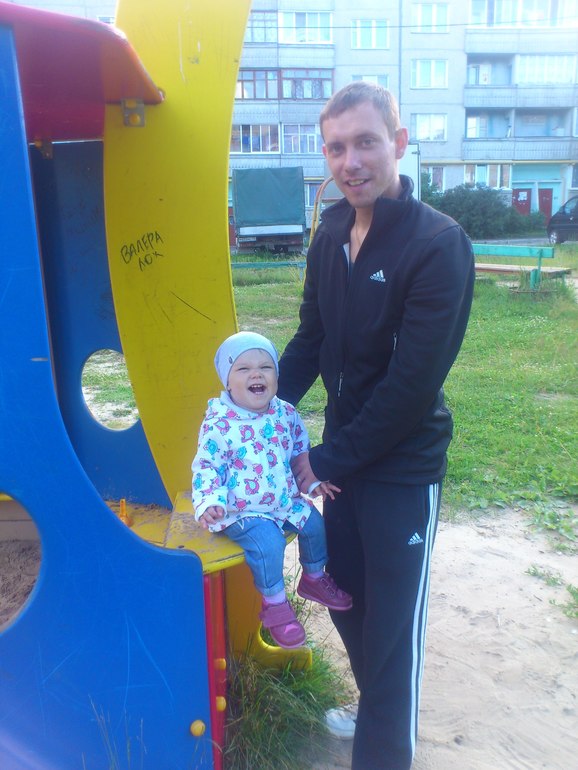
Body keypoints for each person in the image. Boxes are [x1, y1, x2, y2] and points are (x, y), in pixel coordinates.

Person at [276, 82, 475, 769]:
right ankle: (376, 705)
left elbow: (410, 387)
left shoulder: (438, 244)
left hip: (401, 468)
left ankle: (384, 746)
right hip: (343, 464)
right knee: (344, 596)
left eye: (365, 142)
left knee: (392, 634)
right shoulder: (331, 233)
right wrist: (253, 415)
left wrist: (328, 459)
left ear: (399, 143)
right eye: (336, 147)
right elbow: (310, 339)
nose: (350, 161)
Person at [191, 331, 352, 650]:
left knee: (314, 523)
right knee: (268, 543)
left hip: (281, 501)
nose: (257, 374)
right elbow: (207, 465)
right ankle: (275, 605)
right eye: (243, 368)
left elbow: (298, 453)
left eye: (266, 367)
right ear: (227, 382)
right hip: (241, 510)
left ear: (276, 377)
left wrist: (312, 482)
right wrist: (209, 501)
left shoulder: (285, 414)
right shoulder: (220, 423)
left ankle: (313, 577)